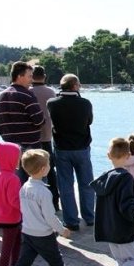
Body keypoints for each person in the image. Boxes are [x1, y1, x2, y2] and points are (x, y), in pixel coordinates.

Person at [0, 149, 82, 266]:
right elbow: (50, 216)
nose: (50, 166)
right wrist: (62, 230)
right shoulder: (44, 192)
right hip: (43, 234)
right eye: (49, 164)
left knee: (23, 264)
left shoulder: (24, 187)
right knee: (55, 259)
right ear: (43, 169)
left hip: (28, 232)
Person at [91, 138, 134, 266]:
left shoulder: (104, 178)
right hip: (123, 229)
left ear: (108, 155)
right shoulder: (126, 178)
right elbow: (127, 206)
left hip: (108, 229)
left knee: (121, 262)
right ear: (128, 156)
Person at [47, 74, 94, 231]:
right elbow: (89, 121)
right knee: (86, 184)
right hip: (82, 148)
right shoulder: (85, 103)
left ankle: (71, 221)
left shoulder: (52, 103)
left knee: (65, 185)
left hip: (62, 148)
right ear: (75, 86)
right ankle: (89, 217)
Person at [0, 61, 44, 183]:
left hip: (10, 147)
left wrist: (7, 134)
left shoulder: (0, 96)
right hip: (31, 146)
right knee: (36, 183)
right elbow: (39, 120)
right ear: (20, 76)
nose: (31, 80)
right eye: (29, 76)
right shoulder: (27, 95)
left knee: (15, 183)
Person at [30, 65, 59, 210]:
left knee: (31, 170)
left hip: (32, 137)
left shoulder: (28, 92)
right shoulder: (51, 92)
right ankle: (54, 201)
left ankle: (35, 202)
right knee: (50, 169)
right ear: (44, 76)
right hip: (47, 135)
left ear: (31, 77)